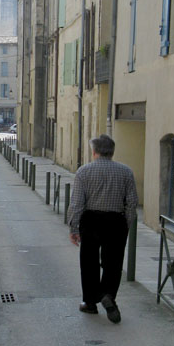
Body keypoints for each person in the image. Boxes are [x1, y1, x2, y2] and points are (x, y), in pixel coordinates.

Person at [67, 134, 138, 324]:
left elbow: (77, 203)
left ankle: (90, 302)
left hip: (91, 220)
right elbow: (132, 203)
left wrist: (73, 227)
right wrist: (126, 225)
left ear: (94, 151)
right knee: (113, 262)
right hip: (116, 220)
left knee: (89, 261)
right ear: (112, 152)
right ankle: (108, 295)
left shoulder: (84, 171)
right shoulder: (126, 172)